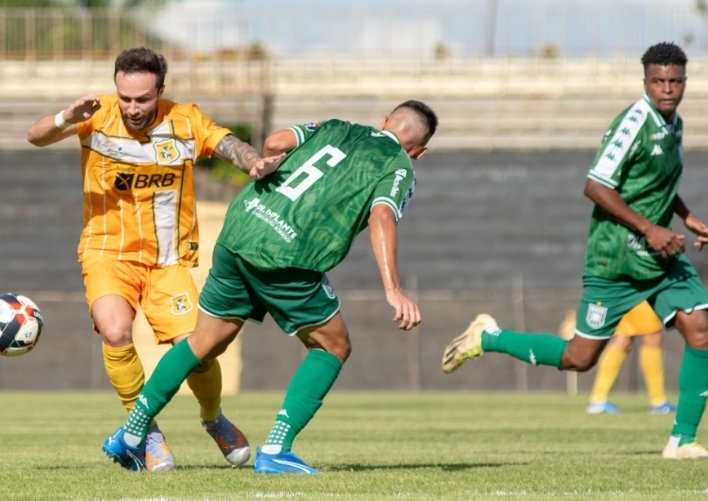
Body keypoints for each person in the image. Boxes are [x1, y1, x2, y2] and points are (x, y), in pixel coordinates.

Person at [101, 100, 439, 474]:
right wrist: (393, 288)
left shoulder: (335, 124)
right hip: (286, 253)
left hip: (243, 225)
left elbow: (276, 142)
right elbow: (382, 215)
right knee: (333, 346)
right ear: (419, 151)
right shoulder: (398, 166)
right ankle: (277, 448)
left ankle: (131, 433)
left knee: (202, 341)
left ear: (386, 120)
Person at [442, 42, 708, 460]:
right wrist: (650, 228)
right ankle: (488, 337)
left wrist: (686, 215)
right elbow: (596, 186)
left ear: (685, 83)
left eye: (675, 81)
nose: (667, 89)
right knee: (578, 358)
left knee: (700, 326)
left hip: (659, 258)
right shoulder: (633, 123)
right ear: (645, 83)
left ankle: (682, 439)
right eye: (658, 81)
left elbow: (655, 185)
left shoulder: (674, 124)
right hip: (615, 260)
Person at [27, 46, 262, 471]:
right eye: (126, 98)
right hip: (106, 253)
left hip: (167, 262)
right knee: (115, 332)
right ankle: (147, 432)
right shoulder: (96, 117)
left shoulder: (185, 120)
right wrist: (66, 117)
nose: (133, 108)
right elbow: (36, 135)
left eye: (143, 99)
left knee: (199, 351)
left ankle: (213, 419)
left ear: (161, 92)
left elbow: (226, 142)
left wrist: (252, 161)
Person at [585, 300, 676, 415]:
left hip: (621, 291)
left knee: (623, 339)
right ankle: (658, 401)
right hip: (639, 291)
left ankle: (597, 399)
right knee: (651, 335)